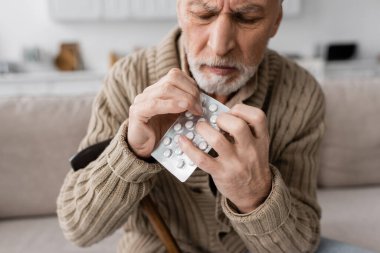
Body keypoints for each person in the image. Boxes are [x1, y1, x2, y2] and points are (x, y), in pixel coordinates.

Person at [56, 1, 373, 252]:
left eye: (247, 17)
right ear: (181, 10)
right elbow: (78, 230)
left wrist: (255, 196)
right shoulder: (128, 78)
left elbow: (299, 246)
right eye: (203, 13)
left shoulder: (300, 92)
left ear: (276, 21)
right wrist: (132, 154)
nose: (220, 45)